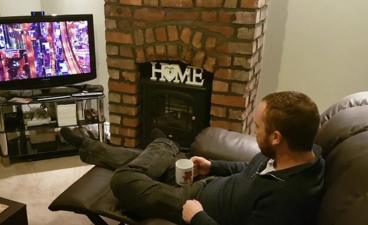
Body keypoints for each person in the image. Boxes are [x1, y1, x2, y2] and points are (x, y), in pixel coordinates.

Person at [60, 91, 324, 225]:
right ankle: (91, 145)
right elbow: (250, 167)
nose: (254, 133)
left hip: (191, 204)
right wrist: (212, 166)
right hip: (202, 183)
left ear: (276, 137)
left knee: (126, 178)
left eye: (257, 127)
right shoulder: (296, 154)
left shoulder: (288, 200)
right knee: (145, 161)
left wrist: (197, 217)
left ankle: (164, 145)